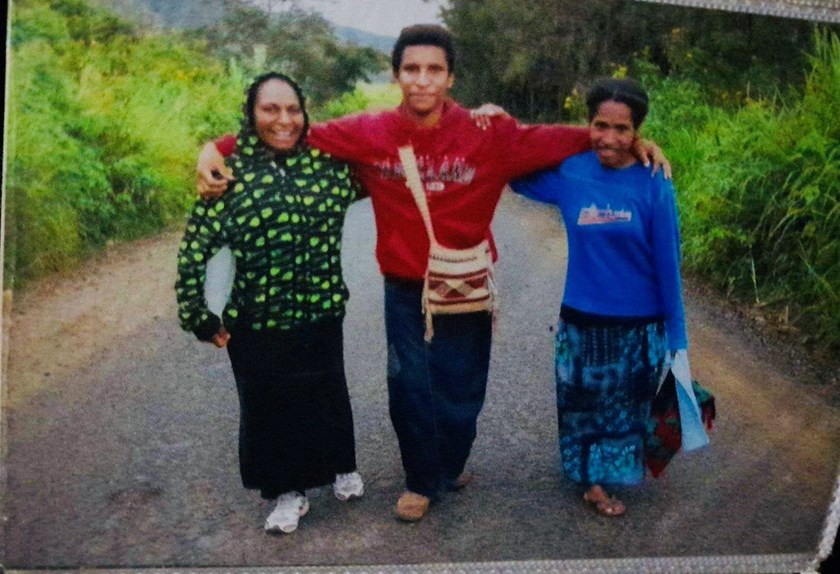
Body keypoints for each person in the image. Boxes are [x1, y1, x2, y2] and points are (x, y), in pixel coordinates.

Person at [196, 25, 668, 522]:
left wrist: (637, 141)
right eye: (411, 69)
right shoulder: (369, 131)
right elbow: (287, 131)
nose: (422, 80)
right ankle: (422, 480)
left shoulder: (491, 134)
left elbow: (581, 137)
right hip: (405, 289)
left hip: (467, 287)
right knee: (410, 389)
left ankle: (450, 461)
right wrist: (215, 147)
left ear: (450, 78)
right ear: (396, 74)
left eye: (434, 70)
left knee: (463, 389)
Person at [175, 72, 365, 534]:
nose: (284, 119)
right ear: (252, 114)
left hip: (321, 311)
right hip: (256, 322)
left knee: (327, 393)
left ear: (305, 114)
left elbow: (388, 169)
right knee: (270, 408)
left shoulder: (329, 165)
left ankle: (341, 464)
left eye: (293, 109)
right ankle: (288, 491)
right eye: (270, 109)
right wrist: (198, 316)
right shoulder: (228, 174)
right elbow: (194, 250)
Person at [509, 78, 687, 517]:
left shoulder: (654, 184)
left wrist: (677, 339)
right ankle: (590, 479)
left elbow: (669, 264)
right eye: (598, 125)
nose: (609, 139)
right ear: (587, 124)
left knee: (626, 411)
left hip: (638, 324)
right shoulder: (571, 172)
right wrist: (503, 124)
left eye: (622, 129)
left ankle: (610, 473)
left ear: (638, 133)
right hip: (581, 319)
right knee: (580, 408)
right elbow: (511, 170)